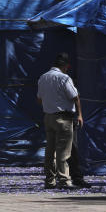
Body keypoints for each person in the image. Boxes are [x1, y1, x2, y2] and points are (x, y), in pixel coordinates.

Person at [37, 52, 82, 189]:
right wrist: (80, 115)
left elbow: (39, 99)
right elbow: (75, 97)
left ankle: (50, 180)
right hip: (63, 118)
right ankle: (64, 180)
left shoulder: (43, 77)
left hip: (48, 117)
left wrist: (50, 105)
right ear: (65, 66)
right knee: (63, 151)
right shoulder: (64, 78)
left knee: (50, 151)